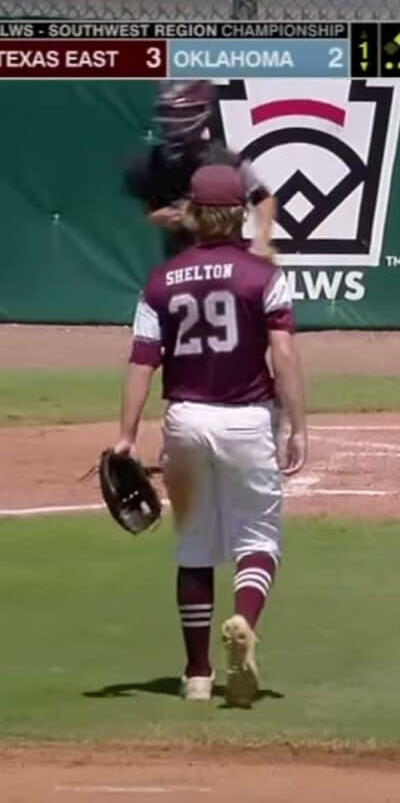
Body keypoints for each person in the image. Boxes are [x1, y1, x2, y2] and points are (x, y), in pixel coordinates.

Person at [115, 165, 307, 708]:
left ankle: (197, 674)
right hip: (247, 419)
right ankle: (244, 619)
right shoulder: (263, 276)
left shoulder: (160, 280)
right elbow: (284, 354)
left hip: (186, 421)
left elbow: (140, 364)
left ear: (192, 214)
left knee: (194, 544)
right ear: (241, 214)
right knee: (259, 539)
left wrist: (126, 437)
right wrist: (298, 424)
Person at [124, 80, 278, 261]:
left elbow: (263, 199)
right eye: (170, 115)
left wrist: (261, 239)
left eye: (183, 114)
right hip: (179, 261)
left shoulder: (227, 162)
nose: (175, 124)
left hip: (227, 259)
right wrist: (159, 217)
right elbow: (143, 211)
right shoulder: (150, 163)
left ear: (201, 114)